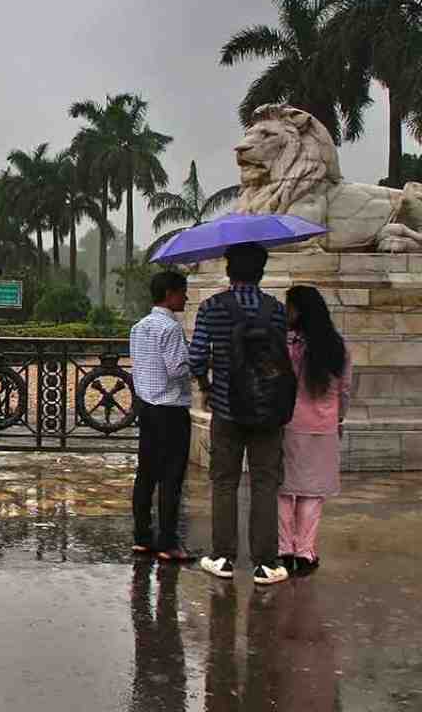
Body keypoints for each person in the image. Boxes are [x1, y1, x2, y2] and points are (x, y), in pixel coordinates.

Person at [190, 242, 291, 585]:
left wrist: (206, 387)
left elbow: (197, 357)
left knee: (224, 482)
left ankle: (223, 557)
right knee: (265, 483)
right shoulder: (276, 309)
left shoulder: (212, 307)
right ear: (261, 272)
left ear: (229, 270)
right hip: (268, 411)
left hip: (227, 409)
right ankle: (266, 563)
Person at [279, 286, 351, 577]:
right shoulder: (337, 345)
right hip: (324, 427)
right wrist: (339, 419)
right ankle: (305, 552)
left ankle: (283, 550)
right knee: (313, 493)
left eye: (289, 306)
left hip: (289, 424)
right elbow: (344, 390)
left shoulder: (288, 344)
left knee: (283, 490)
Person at [129, 271, 193, 561]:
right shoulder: (170, 328)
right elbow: (177, 369)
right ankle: (168, 541)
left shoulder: (139, 327)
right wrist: (197, 359)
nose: (186, 297)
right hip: (170, 409)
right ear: (170, 294)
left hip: (147, 407)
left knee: (146, 474)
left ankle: (142, 536)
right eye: (183, 292)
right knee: (171, 478)